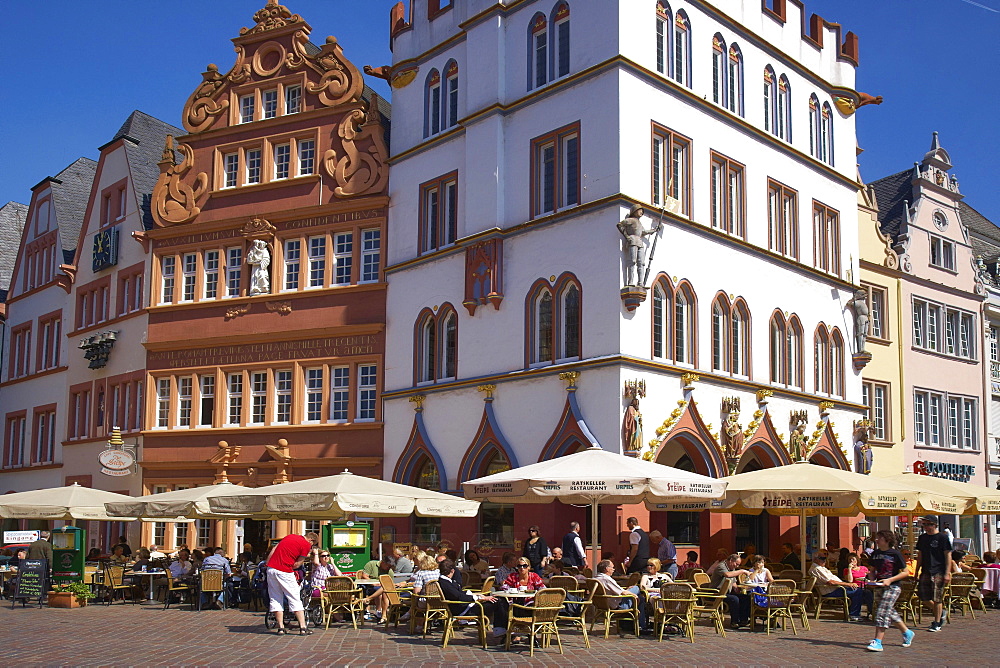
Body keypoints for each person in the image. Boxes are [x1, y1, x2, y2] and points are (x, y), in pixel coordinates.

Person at [866, 530, 915, 652]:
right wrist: (872, 580)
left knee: (882, 611)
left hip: (893, 586)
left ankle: (878, 641)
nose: (876, 540)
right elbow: (872, 570)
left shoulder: (895, 554)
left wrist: (890, 580)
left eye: (879, 538)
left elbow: (905, 572)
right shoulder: (875, 554)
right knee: (889, 611)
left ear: (887, 540)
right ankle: (907, 632)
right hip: (879, 585)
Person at [436, 559, 505, 640]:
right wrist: (480, 598)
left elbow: (459, 594)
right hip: (464, 610)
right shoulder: (445, 583)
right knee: (499, 601)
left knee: (499, 600)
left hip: (465, 606)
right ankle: (501, 630)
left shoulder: (446, 581)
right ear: (452, 571)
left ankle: (501, 629)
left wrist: (476, 594)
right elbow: (459, 597)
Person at [266, 532, 319, 635]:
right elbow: (298, 564)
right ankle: (303, 627)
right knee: (294, 597)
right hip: (284, 571)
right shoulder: (306, 545)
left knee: (275, 597)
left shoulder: (290, 536)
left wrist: (268, 564)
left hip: (271, 569)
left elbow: (273, 549)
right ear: (311, 541)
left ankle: (281, 627)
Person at [809, 551, 872, 622]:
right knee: (858, 591)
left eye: (825, 558)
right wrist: (848, 584)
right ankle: (854, 615)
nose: (824, 560)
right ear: (815, 559)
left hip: (836, 588)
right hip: (831, 590)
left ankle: (871, 612)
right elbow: (831, 582)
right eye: (822, 558)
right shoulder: (817, 569)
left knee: (866, 592)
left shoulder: (820, 567)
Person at [914, 516, 952, 632]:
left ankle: (936, 622)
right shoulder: (922, 538)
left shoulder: (942, 538)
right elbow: (920, 555)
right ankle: (941, 612)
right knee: (924, 597)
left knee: (937, 598)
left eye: (927, 524)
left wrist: (947, 573)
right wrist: (917, 571)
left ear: (934, 524)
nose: (925, 527)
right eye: (924, 525)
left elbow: (948, 555)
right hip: (925, 570)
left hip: (939, 570)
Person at [595, 558, 648, 633]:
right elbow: (622, 593)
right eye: (612, 567)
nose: (614, 570)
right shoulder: (606, 579)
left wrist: (627, 590)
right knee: (636, 588)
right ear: (607, 569)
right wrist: (633, 595)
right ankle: (642, 626)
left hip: (603, 605)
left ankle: (641, 626)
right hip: (619, 606)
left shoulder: (596, 578)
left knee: (641, 598)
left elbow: (618, 590)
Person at [617, 204, 657, 286]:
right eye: (639, 210)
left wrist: (654, 230)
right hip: (633, 240)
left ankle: (640, 282)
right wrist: (627, 236)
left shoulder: (639, 223)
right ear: (634, 211)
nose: (641, 212)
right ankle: (631, 281)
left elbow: (643, 232)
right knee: (632, 261)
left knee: (641, 262)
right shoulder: (631, 220)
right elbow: (620, 225)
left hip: (639, 241)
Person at [709, 554, 751, 629]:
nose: (737, 566)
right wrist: (742, 571)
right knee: (734, 599)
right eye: (736, 564)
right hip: (717, 592)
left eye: (738, 565)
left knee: (745, 597)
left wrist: (737, 589)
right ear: (731, 560)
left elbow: (733, 581)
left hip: (727, 592)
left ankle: (743, 620)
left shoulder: (732, 568)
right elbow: (727, 575)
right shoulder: (721, 566)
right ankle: (734, 622)